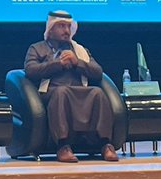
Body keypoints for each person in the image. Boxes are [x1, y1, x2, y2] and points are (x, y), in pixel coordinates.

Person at [23, 11, 118, 162]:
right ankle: (63, 146)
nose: (66, 31)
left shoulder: (80, 50)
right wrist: (58, 64)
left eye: (68, 27)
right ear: (51, 29)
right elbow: (30, 70)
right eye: (61, 26)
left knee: (97, 93)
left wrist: (77, 63)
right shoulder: (37, 48)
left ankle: (105, 145)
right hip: (51, 92)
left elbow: (97, 72)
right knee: (62, 92)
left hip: (81, 92)